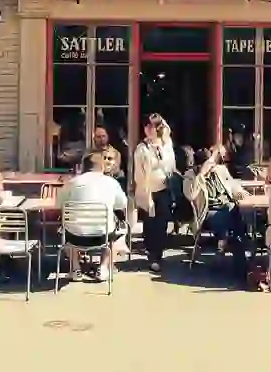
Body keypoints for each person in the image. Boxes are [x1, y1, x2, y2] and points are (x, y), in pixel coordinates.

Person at [58, 152, 128, 282]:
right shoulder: (111, 183)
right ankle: (103, 268)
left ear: (84, 167)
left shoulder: (71, 183)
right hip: (102, 237)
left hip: (74, 237)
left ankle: (75, 268)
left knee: (66, 225)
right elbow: (122, 204)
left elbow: (59, 204)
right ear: (101, 167)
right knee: (121, 230)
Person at [183, 147, 248, 275]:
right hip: (208, 212)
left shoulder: (220, 170)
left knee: (235, 211)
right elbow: (190, 195)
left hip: (227, 207)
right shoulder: (191, 176)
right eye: (209, 164)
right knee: (232, 216)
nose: (212, 167)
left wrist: (239, 191)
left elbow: (232, 184)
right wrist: (201, 175)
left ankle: (230, 244)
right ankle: (232, 245)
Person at [133, 113, 176, 273]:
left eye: (153, 126)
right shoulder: (141, 149)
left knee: (162, 223)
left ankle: (158, 254)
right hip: (148, 190)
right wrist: (147, 195)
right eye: (147, 126)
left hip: (164, 189)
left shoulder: (166, 144)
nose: (150, 129)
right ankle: (152, 256)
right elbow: (139, 175)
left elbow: (171, 165)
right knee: (150, 223)